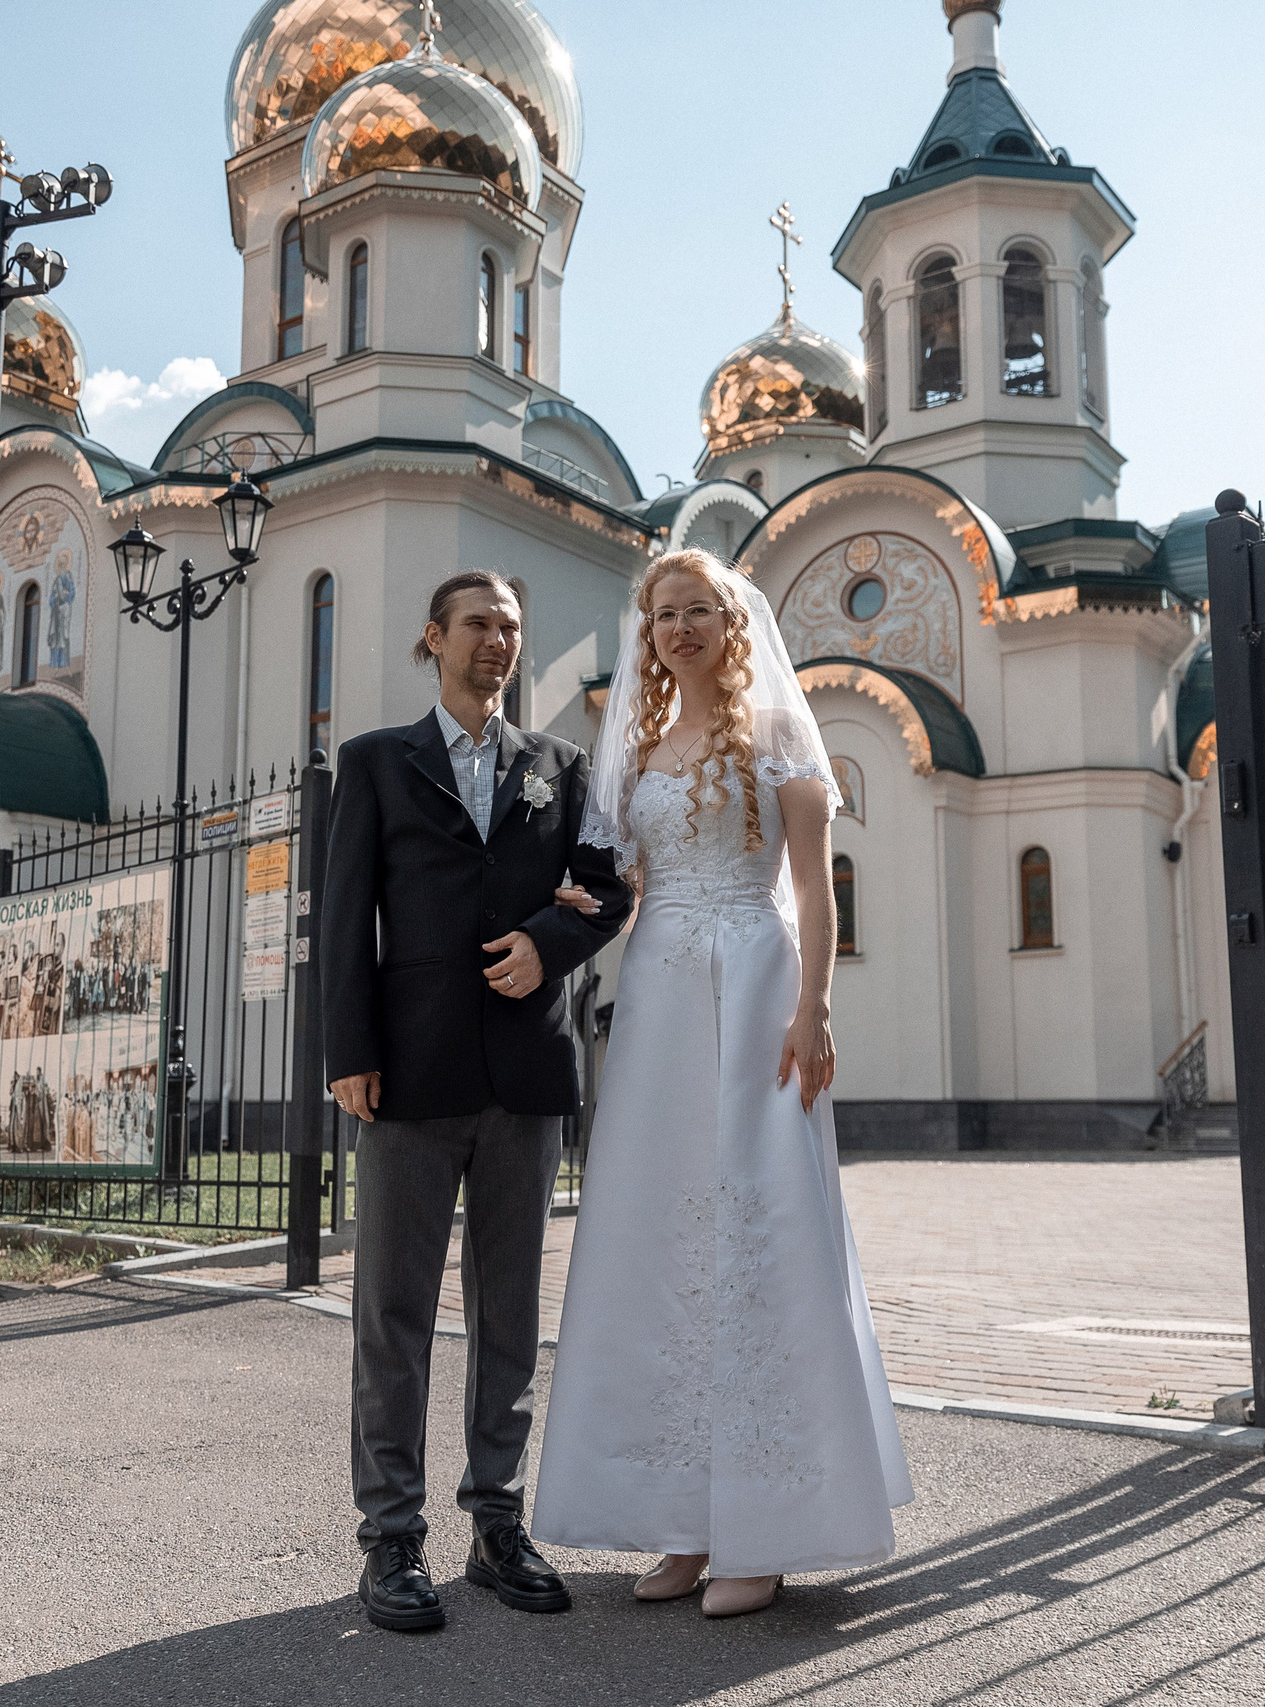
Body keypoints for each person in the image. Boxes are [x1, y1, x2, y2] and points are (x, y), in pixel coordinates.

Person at [532, 548, 915, 1619]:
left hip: (754, 976)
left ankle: (769, 1524)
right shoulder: (642, 744)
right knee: (659, 1235)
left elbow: (813, 884)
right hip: (656, 990)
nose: (682, 627)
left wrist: (813, 1007)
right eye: (665, 614)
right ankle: (685, 1524)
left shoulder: (780, 733)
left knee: (759, 1221)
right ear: (647, 633)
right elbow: (627, 880)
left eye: (701, 609)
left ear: (732, 622)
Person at [322, 570, 635, 1633]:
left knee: (510, 1314)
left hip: (527, 1079)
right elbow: (342, 924)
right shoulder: (371, 763)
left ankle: (496, 1525)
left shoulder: (561, 767)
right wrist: (347, 1052)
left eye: (510, 625)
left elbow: (610, 888)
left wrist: (546, 947)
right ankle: (391, 1538)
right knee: (393, 1314)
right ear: (434, 638)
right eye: (478, 625)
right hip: (407, 1074)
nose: (497, 641)